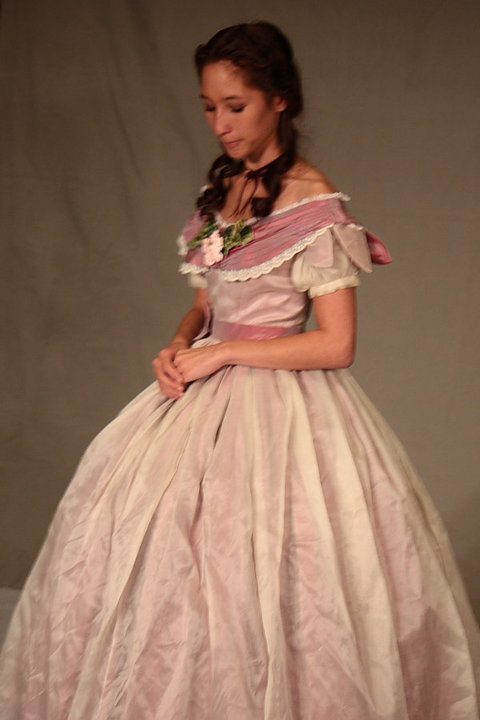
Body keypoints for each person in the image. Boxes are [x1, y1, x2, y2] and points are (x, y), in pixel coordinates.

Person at [0, 21, 479, 720]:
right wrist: (177, 344)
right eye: (208, 106)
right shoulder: (221, 191)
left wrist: (221, 353)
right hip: (196, 405)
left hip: (279, 412)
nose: (220, 123)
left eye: (236, 106)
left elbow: (335, 345)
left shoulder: (315, 206)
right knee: (169, 570)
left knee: (277, 580)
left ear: (280, 100)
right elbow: (205, 303)